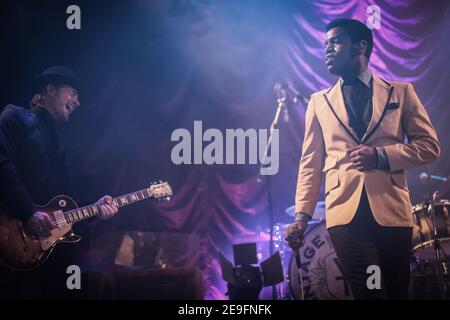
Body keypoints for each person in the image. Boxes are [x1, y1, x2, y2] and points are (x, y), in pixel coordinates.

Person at [285, 19, 440, 299]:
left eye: (336, 42)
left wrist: (381, 156)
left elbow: (429, 146)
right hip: (347, 218)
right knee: (371, 292)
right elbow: (310, 163)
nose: (327, 49)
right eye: (325, 44)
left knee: (394, 293)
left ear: (361, 46)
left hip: (392, 214)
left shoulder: (401, 92)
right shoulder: (319, 102)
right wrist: (301, 217)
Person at [0, 66, 118, 299]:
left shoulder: (61, 142)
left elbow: (66, 201)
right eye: (73, 93)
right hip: (11, 236)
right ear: (51, 89)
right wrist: (29, 212)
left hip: (47, 252)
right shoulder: (16, 116)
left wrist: (96, 209)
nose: (78, 102)